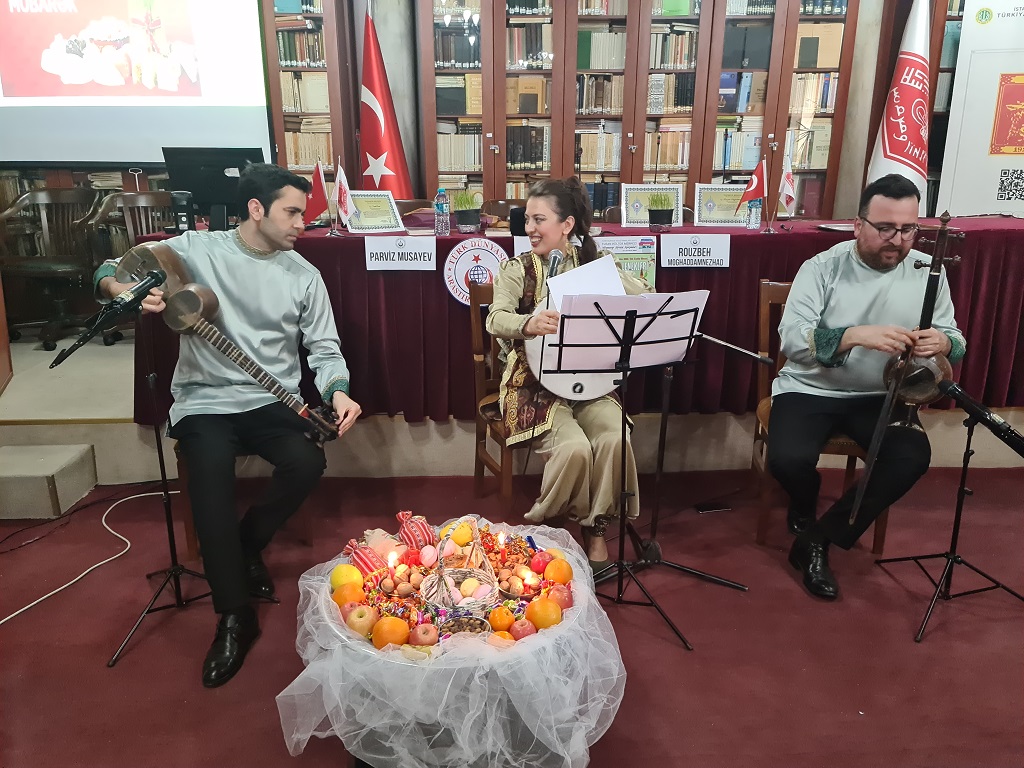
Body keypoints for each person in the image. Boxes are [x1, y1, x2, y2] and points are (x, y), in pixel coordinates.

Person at [94, 163, 361, 686]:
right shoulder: (199, 249)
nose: (301, 224)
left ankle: (246, 543)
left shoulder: (303, 275)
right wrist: (121, 288)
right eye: (291, 212)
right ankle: (234, 614)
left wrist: (338, 389)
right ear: (256, 209)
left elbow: (324, 348)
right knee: (210, 475)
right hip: (205, 399)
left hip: (271, 398)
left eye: (303, 214)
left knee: (306, 462)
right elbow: (110, 267)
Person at [767, 173, 965, 601]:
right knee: (787, 459)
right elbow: (792, 340)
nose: (897, 240)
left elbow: (955, 337)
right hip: (810, 388)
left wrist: (943, 342)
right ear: (858, 225)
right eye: (885, 228)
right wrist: (853, 335)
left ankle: (818, 539)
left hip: (881, 395)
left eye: (908, 229)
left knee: (910, 457)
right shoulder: (822, 267)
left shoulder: (927, 271)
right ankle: (804, 496)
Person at [485, 177, 651, 570]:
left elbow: (644, 294)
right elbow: (495, 318)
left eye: (538, 220)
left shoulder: (592, 262)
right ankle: (551, 527)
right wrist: (528, 323)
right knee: (574, 448)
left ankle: (595, 529)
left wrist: (608, 274)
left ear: (567, 225)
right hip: (532, 384)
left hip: (589, 379)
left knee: (614, 437)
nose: (529, 228)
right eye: (527, 220)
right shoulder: (517, 269)